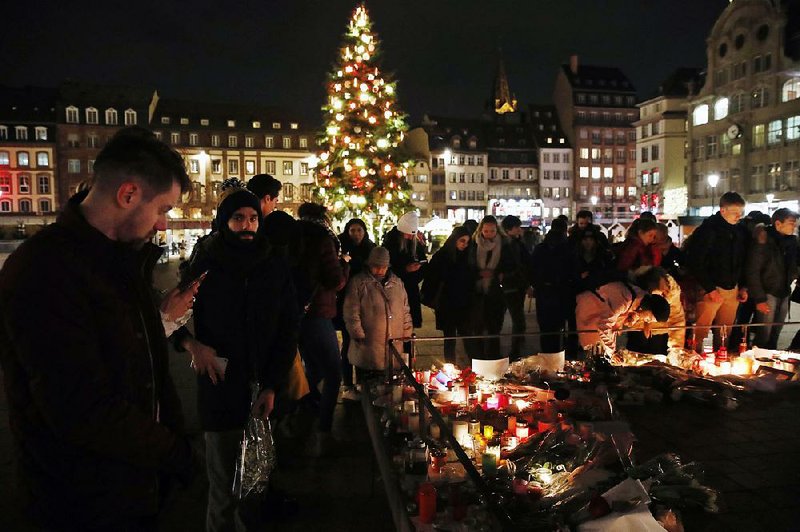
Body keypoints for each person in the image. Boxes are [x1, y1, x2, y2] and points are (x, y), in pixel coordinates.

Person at [0, 127, 196, 530]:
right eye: (163, 209)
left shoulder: (121, 260)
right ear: (128, 195)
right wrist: (172, 451)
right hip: (80, 503)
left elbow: (134, 363)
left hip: (131, 488)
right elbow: (80, 407)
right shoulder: (45, 270)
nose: (162, 225)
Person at [173, 180, 298, 531]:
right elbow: (169, 317)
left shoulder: (273, 263)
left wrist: (273, 384)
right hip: (220, 386)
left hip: (263, 390)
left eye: (253, 219)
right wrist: (193, 346)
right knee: (223, 487)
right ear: (224, 221)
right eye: (238, 219)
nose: (247, 226)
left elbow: (288, 327)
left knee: (255, 486)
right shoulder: (207, 261)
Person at [296, 202, 348, 456]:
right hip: (318, 312)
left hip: (295, 313)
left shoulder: (292, 236)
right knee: (333, 372)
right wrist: (345, 265)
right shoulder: (323, 238)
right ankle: (323, 433)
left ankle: (295, 412)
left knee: (313, 368)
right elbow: (335, 280)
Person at [684, 192, 749, 350]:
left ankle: (721, 359)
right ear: (723, 210)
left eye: (741, 212)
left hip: (732, 288)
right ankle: (693, 359)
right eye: (734, 212)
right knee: (700, 330)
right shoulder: (708, 231)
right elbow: (696, 261)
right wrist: (709, 288)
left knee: (725, 331)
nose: (738, 216)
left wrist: (743, 286)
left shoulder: (740, 232)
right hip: (710, 288)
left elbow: (743, 260)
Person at [343, 247, 413, 379]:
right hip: (368, 344)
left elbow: (405, 310)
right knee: (368, 383)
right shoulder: (359, 283)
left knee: (391, 385)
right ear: (369, 265)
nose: (380, 270)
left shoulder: (397, 283)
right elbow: (351, 311)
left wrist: (407, 331)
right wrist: (357, 333)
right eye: (376, 266)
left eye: (383, 267)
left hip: (394, 344)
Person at [746, 208, 799, 349]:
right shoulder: (764, 240)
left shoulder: (792, 242)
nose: (794, 226)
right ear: (778, 223)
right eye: (791, 223)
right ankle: (758, 362)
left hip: (784, 291)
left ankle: (770, 362)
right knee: (764, 334)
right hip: (767, 292)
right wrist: (759, 298)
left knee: (776, 332)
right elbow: (753, 270)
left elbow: (793, 265)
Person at [576, 280, 670, 356]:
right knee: (590, 352)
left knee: (598, 351)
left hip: (598, 312)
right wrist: (612, 353)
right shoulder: (625, 299)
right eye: (649, 318)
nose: (647, 321)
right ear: (648, 308)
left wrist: (633, 316)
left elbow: (634, 308)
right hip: (590, 309)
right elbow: (604, 325)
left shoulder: (640, 296)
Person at [421, 226, 473, 363]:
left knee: (467, 336)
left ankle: (473, 367)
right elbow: (432, 277)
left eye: (467, 242)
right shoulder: (442, 255)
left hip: (463, 303)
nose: (464, 245)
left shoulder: (467, 256)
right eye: (462, 241)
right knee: (449, 338)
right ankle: (451, 368)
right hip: (447, 304)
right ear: (454, 239)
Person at [337, 218, 376, 400]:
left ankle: (362, 381)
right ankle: (347, 383)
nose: (356, 234)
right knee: (348, 341)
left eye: (359, 230)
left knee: (363, 341)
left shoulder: (370, 248)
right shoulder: (340, 247)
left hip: (365, 300)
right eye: (352, 230)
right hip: (346, 300)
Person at [467, 215, 516, 359]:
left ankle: (494, 357)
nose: (489, 234)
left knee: (494, 327)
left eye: (492, 231)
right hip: (478, 291)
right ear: (481, 230)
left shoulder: (504, 244)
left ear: (497, 230)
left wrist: (498, 273)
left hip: (496, 291)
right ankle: (479, 358)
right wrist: (478, 273)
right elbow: (468, 266)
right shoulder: (474, 244)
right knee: (478, 328)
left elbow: (511, 265)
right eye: (486, 231)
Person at [530, 218, 576, 354]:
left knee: (545, 328)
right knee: (560, 326)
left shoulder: (541, 247)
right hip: (563, 291)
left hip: (544, 291)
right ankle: (563, 355)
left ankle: (547, 355)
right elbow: (573, 269)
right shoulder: (568, 247)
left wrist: (537, 285)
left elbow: (532, 269)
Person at [383, 211, 427, 329]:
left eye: (413, 235)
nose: (411, 237)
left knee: (410, 325)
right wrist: (405, 269)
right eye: (408, 234)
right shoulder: (391, 243)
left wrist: (419, 268)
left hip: (411, 289)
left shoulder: (414, 243)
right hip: (395, 289)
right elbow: (387, 268)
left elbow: (423, 262)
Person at [630, 267, 686, 354]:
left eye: (666, 290)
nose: (665, 293)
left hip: (660, 329)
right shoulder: (631, 293)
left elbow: (677, 320)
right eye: (662, 294)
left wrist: (676, 350)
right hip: (635, 329)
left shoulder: (671, 290)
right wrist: (644, 319)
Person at [500, 215, 533, 358]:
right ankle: (515, 352)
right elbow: (520, 266)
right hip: (511, 285)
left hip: (514, 285)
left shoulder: (515, 242)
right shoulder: (510, 244)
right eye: (517, 227)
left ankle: (516, 348)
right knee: (518, 319)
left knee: (515, 318)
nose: (520, 229)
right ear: (509, 229)